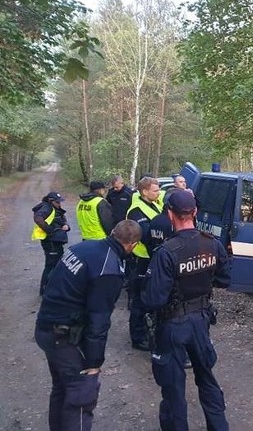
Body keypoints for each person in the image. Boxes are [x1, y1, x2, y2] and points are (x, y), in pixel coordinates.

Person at [35, 220, 142, 431]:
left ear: (112, 233)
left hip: (46, 327)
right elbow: (99, 320)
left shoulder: (82, 247)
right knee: (81, 396)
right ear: (133, 245)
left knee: (61, 389)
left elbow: (53, 281)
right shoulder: (109, 269)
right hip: (65, 337)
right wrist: (94, 362)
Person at [142, 190, 231, 431]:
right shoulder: (211, 243)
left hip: (172, 326)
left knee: (173, 389)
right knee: (207, 379)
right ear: (195, 213)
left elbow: (153, 298)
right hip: (201, 321)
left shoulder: (166, 252)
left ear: (170, 214)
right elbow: (225, 279)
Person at [126, 176, 162, 351]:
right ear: (144, 191)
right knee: (140, 299)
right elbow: (148, 236)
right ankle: (138, 337)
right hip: (142, 259)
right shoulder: (136, 211)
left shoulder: (154, 204)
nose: (158, 193)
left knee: (151, 297)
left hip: (153, 258)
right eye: (155, 190)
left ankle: (150, 329)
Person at [32, 192, 70, 296]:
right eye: (57, 202)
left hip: (56, 241)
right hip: (51, 241)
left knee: (57, 264)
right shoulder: (46, 207)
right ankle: (45, 290)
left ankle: (53, 288)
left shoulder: (54, 208)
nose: (59, 204)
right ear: (50, 201)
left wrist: (66, 226)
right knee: (51, 265)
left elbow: (61, 220)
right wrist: (50, 230)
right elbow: (38, 218)